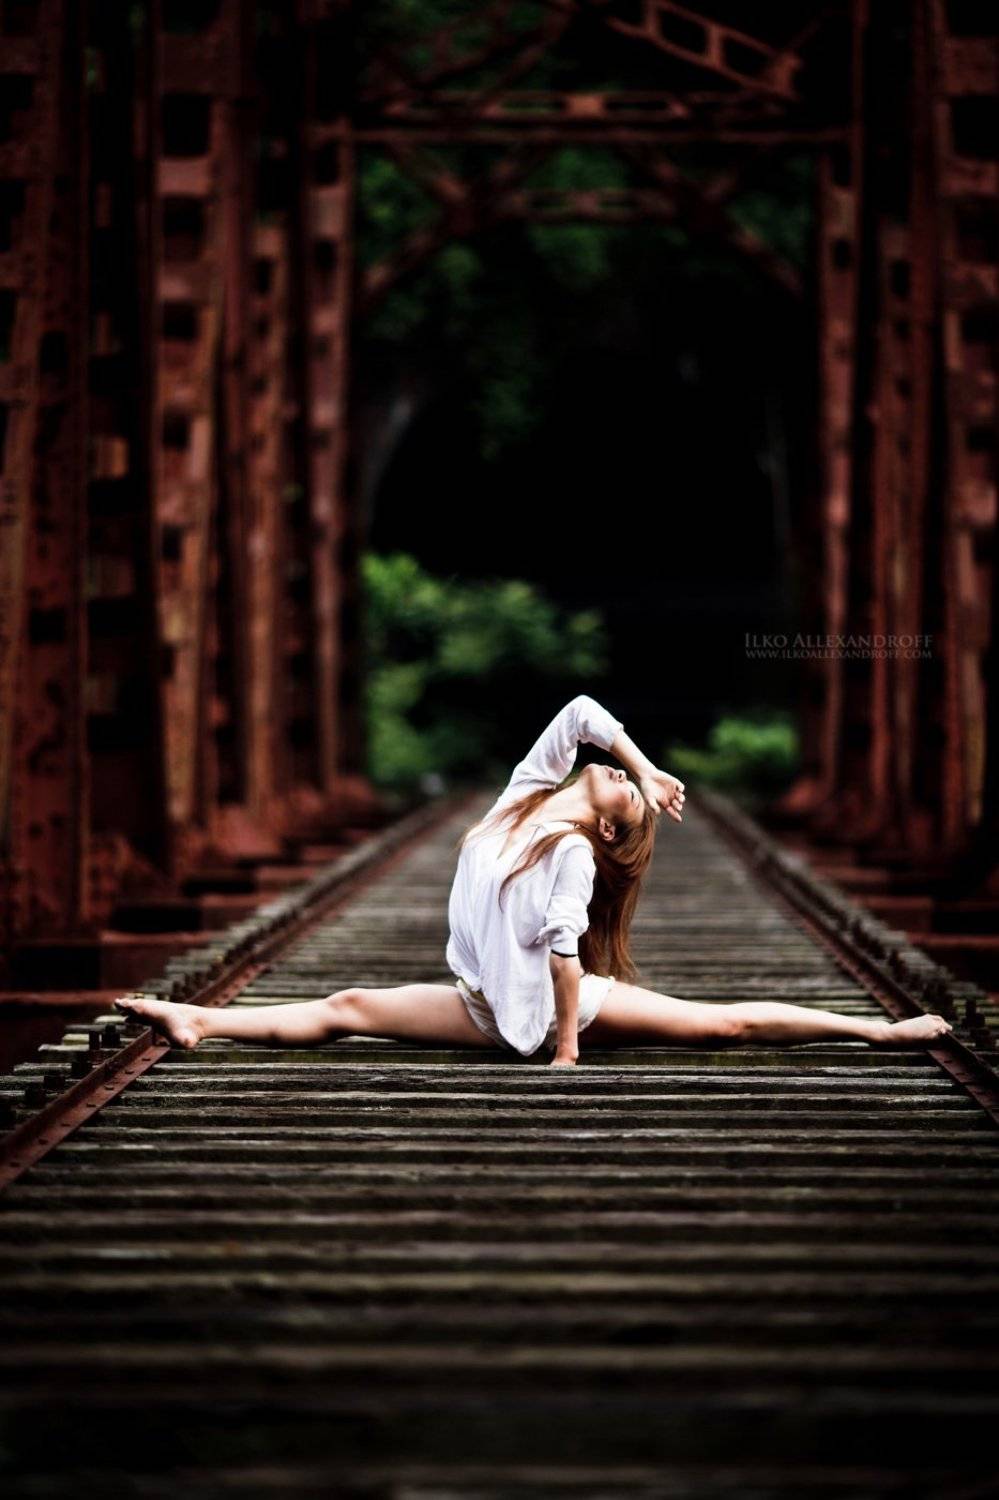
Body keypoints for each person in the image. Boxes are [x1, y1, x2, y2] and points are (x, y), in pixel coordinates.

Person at [114, 694, 954, 1065]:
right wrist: (648, 768)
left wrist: (565, 1050)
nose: (618, 783)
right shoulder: (521, 803)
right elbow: (584, 713)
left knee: (721, 1026)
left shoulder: (575, 851)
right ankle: (198, 1020)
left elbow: (562, 952)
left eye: (627, 801)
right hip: (483, 1004)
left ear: (604, 830)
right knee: (344, 1008)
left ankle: (875, 1034)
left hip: (558, 1008)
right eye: (618, 781)